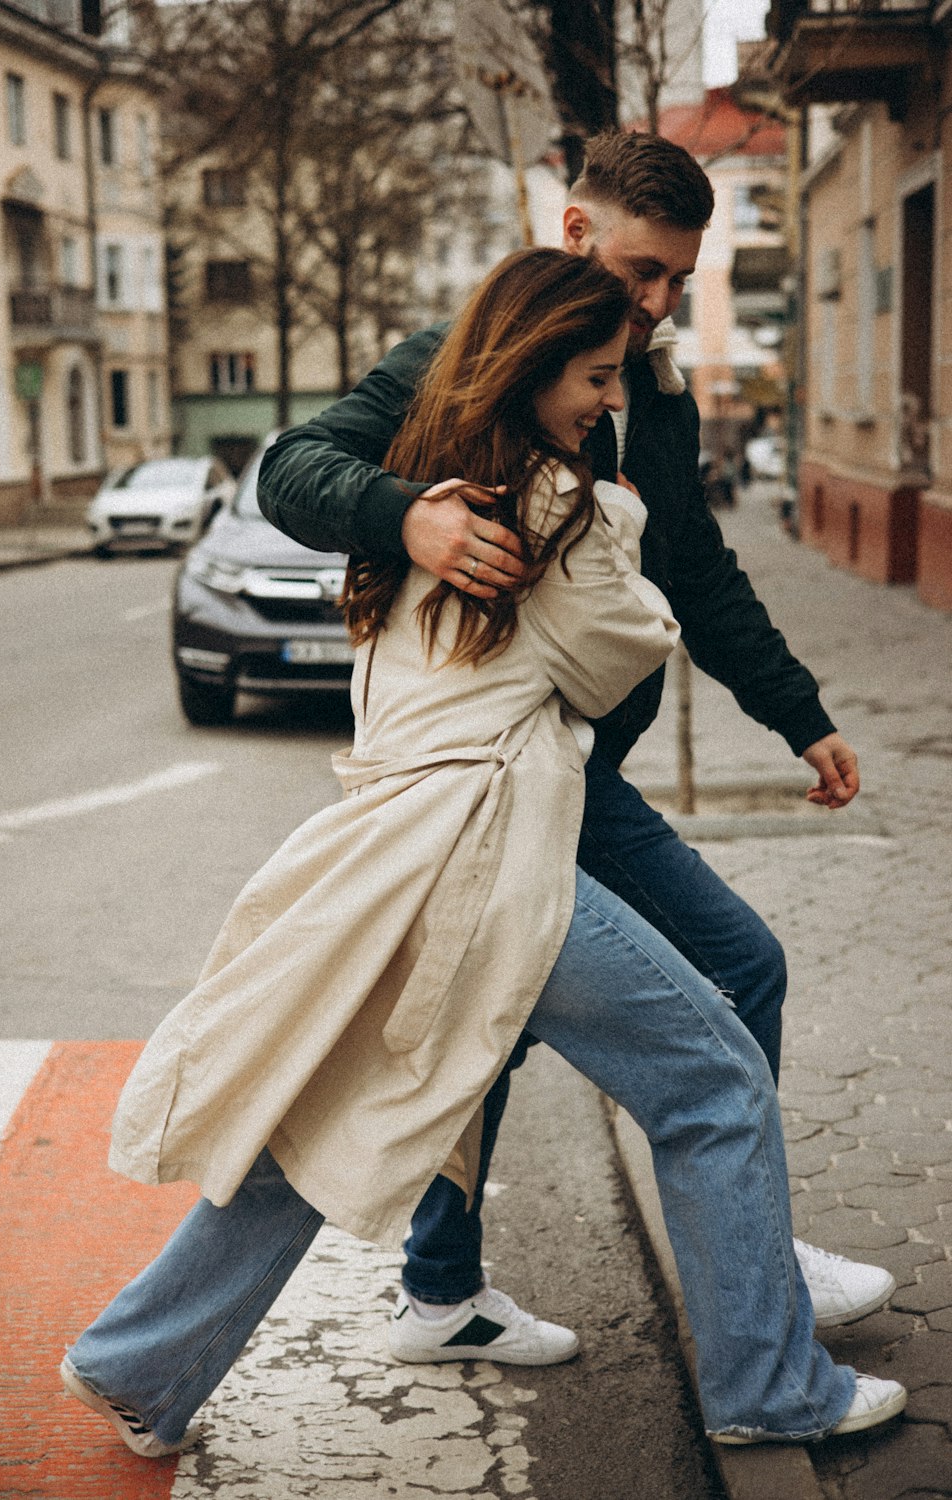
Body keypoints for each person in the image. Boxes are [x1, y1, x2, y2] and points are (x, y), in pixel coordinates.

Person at [60, 250, 904, 1457]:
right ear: (532, 368)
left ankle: (138, 1361)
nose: (611, 402)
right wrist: (617, 514)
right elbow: (625, 644)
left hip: (391, 850)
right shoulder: (551, 505)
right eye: (596, 378)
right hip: (489, 851)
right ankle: (770, 1386)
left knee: (324, 1106)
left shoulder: (422, 501)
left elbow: (315, 481)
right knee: (714, 1081)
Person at [257, 129, 896, 1368]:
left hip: (580, 775)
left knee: (623, 995)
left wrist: (802, 715)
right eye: (642, 271)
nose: (655, 307)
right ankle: (725, 1264)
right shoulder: (460, 366)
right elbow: (292, 469)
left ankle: (481, 1286)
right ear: (574, 235)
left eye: (676, 284)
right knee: (696, 977)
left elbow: (695, 570)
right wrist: (411, 522)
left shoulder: (651, 393)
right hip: (491, 775)